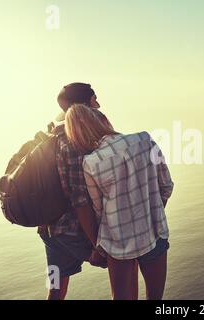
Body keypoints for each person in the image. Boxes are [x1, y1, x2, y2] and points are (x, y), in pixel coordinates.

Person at [64, 103, 174, 300]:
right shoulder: (144, 140)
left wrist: (99, 246)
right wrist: (150, 214)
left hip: (118, 244)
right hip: (154, 234)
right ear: (103, 121)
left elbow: (99, 210)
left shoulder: (91, 162)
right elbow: (166, 186)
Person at [39, 83, 107, 300]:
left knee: (56, 289)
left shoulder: (55, 132)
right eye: (94, 100)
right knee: (121, 261)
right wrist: (96, 247)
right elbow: (80, 201)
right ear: (84, 106)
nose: (98, 105)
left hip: (49, 230)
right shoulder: (75, 144)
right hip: (71, 232)